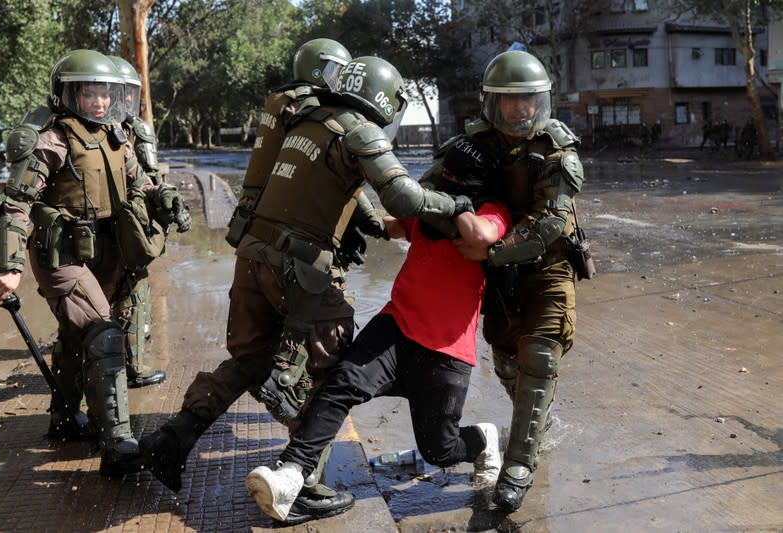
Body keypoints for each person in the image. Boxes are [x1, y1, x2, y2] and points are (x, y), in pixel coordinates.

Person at [140, 45, 446, 525]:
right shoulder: (359, 129)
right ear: (385, 99)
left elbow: (323, 184)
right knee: (329, 369)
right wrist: (454, 206)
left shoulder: (304, 120)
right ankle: (302, 485)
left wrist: (365, 222)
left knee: (251, 359)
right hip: (301, 268)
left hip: (254, 257)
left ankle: (173, 438)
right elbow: (405, 197)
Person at [245, 135, 509, 523]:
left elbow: (480, 237)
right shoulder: (433, 200)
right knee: (340, 384)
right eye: (443, 172)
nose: (444, 179)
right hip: (398, 324)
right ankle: (291, 475)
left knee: (439, 449)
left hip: (446, 349)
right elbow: (392, 226)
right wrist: (348, 201)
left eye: (453, 176)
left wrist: (452, 205)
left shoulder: (493, 209)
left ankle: (483, 439)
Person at [0, 49, 185, 476]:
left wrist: (163, 198)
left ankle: (63, 420)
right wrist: (10, 267)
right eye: (88, 94)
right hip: (61, 254)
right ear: (67, 96)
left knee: (78, 336)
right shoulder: (52, 140)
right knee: (103, 332)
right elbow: (13, 205)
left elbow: (143, 182)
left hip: (107, 252)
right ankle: (117, 445)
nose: (98, 102)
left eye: (104, 95)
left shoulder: (118, 136)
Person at [450, 50, 585, 513]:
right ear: (492, 103)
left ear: (541, 101)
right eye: (508, 101)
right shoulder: (474, 145)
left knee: (540, 357)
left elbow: (552, 224)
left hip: (548, 267)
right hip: (500, 276)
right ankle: (536, 418)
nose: (519, 109)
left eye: (527, 99)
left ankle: (519, 465)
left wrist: (492, 249)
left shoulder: (556, 150)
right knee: (507, 361)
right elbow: (439, 187)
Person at [109, 55, 190, 389]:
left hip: (130, 218)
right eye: (119, 93)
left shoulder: (134, 130)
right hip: (112, 222)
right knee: (126, 292)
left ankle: (126, 363)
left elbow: (149, 177)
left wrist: (167, 205)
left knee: (131, 290)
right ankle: (129, 368)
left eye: (130, 94)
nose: (124, 101)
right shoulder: (103, 131)